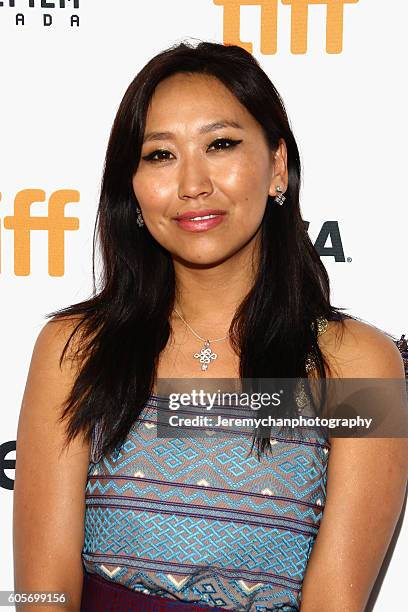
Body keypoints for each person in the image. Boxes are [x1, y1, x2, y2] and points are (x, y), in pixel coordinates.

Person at [13, 40, 408, 612]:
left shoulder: (356, 366)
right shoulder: (75, 352)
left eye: (220, 144)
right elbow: (41, 596)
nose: (193, 183)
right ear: (133, 184)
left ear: (277, 165)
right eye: (159, 155)